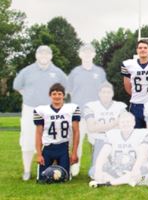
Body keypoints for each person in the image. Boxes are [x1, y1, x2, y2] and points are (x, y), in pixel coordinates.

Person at [13, 45, 68, 181]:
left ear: (51, 56)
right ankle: (26, 171)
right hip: (30, 109)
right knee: (27, 139)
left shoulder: (57, 72)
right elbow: (17, 86)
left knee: (53, 141)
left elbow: (66, 88)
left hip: (51, 110)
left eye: (46, 54)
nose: (44, 56)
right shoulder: (27, 71)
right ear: (36, 55)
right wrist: (29, 96)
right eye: (41, 54)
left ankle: (55, 170)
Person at [67, 44, 107, 176]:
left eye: (90, 52)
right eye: (84, 52)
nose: (87, 54)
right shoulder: (74, 72)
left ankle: (95, 169)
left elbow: (104, 92)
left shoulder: (100, 72)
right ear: (80, 55)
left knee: (95, 143)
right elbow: (69, 91)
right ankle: (74, 169)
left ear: (94, 54)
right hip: (78, 114)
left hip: (95, 115)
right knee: (76, 143)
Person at [89, 112, 148, 187]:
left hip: (135, 167)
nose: (125, 124)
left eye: (128, 122)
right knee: (93, 171)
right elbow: (103, 153)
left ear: (134, 123)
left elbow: (143, 153)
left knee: (146, 169)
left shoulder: (143, 133)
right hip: (115, 169)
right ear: (118, 124)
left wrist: (136, 169)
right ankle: (125, 180)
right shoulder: (112, 134)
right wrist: (98, 170)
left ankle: (110, 183)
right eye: (122, 122)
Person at [34, 83, 80, 181]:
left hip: (63, 148)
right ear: (50, 95)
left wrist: (74, 152)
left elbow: (76, 132)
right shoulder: (42, 110)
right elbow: (38, 133)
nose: (57, 96)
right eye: (54, 94)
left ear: (63, 95)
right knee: (43, 179)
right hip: (47, 148)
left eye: (59, 94)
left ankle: (58, 165)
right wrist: (39, 154)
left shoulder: (71, 109)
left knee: (64, 178)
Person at [84, 82, 127, 178]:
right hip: (98, 140)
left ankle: (111, 171)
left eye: (108, 92)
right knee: (94, 172)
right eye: (103, 92)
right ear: (99, 93)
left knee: (123, 169)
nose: (106, 94)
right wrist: (114, 124)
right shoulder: (90, 106)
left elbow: (125, 125)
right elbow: (91, 127)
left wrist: (99, 126)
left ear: (112, 93)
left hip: (116, 140)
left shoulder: (120, 106)